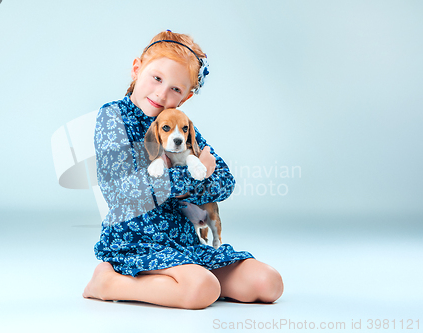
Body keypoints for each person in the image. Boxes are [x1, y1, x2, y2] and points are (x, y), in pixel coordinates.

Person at [83, 30, 283, 310]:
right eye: (156, 78)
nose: (162, 93)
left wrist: (171, 180)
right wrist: (191, 175)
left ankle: (188, 277)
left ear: (186, 97)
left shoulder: (179, 122)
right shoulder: (113, 117)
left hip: (183, 241)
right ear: (137, 69)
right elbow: (124, 194)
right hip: (137, 241)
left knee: (269, 283)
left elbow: (224, 181)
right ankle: (107, 282)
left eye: (176, 89)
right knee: (202, 288)